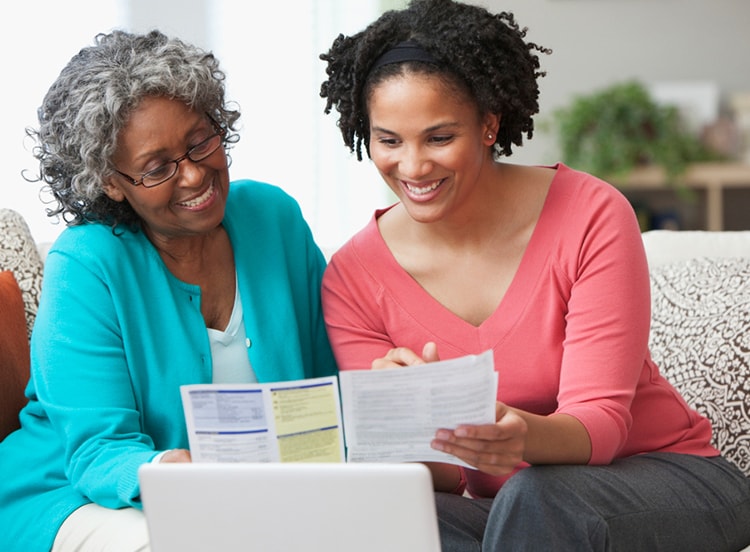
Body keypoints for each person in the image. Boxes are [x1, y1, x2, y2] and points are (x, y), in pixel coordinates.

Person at [318, 0, 750, 550]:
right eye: (389, 140)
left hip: (668, 478)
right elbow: (445, 479)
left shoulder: (591, 215)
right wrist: (403, 420)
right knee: (389, 517)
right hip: (515, 514)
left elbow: (602, 424)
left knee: (537, 496)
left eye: (439, 137)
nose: (413, 166)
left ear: (489, 125)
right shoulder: (353, 278)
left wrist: (519, 435)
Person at [0, 30, 337, 551]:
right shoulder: (87, 262)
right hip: (77, 496)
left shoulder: (274, 219)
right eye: (158, 168)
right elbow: (96, 450)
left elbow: (325, 384)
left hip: (246, 499)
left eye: (201, 140)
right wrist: (167, 468)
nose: (196, 175)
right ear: (111, 182)